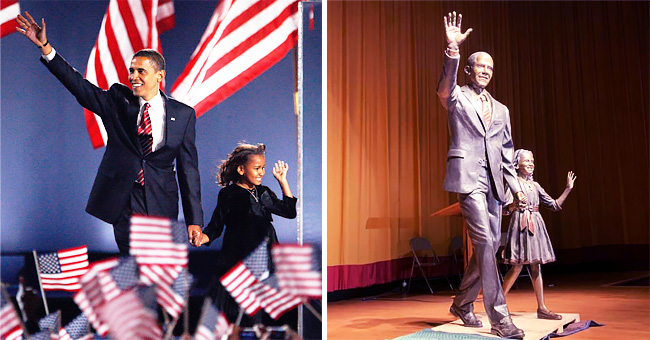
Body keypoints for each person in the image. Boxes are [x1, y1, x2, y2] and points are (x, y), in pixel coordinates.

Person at [15, 12, 203, 255]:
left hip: (161, 201)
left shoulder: (183, 114)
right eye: (131, 70)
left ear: (159, 75)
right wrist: (46, 49)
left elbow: (188, 169)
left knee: (159, 270)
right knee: (134, 262)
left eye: (140, 72)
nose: (133, 77)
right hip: (125, 198)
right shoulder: (118, 100)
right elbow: (80, 87)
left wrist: (194, 220)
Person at [437, 11, 528, 339]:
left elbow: (507, 153)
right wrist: (452, 49)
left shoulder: (502, 110)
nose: (486, 71)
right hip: (468, 179)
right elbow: (444, 90)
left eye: (490, 67)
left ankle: (462, 303)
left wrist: (516, 189)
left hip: (494, 184)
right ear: (468, 69)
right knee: (486, 243)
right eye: (480, 66)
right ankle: (500, 317)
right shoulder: (457, 96)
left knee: (492, 243)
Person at [190, 143, 297, 322]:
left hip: (266, 253)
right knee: (240, 306)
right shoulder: (229, 194)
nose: (261, 172)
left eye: (263, 168)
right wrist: (202, 238)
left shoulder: (263, 192)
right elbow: (216, 226)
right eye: (256, 168)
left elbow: (289, 212)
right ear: (241, 169)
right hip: (240, 255)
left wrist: (282, 181)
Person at [502, 149, 576, 320]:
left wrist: (567, 189)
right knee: (518, 265)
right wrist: (515, 204)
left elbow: (554, 205)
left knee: (536, 265)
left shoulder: (535, 186)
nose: (531, 164)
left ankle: (542, 308)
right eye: (527, 161)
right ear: (517, 164)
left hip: (535, 224)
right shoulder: (513, 184)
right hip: (520, 223)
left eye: (532, 161)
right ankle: (500, 304)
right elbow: (504, 210)